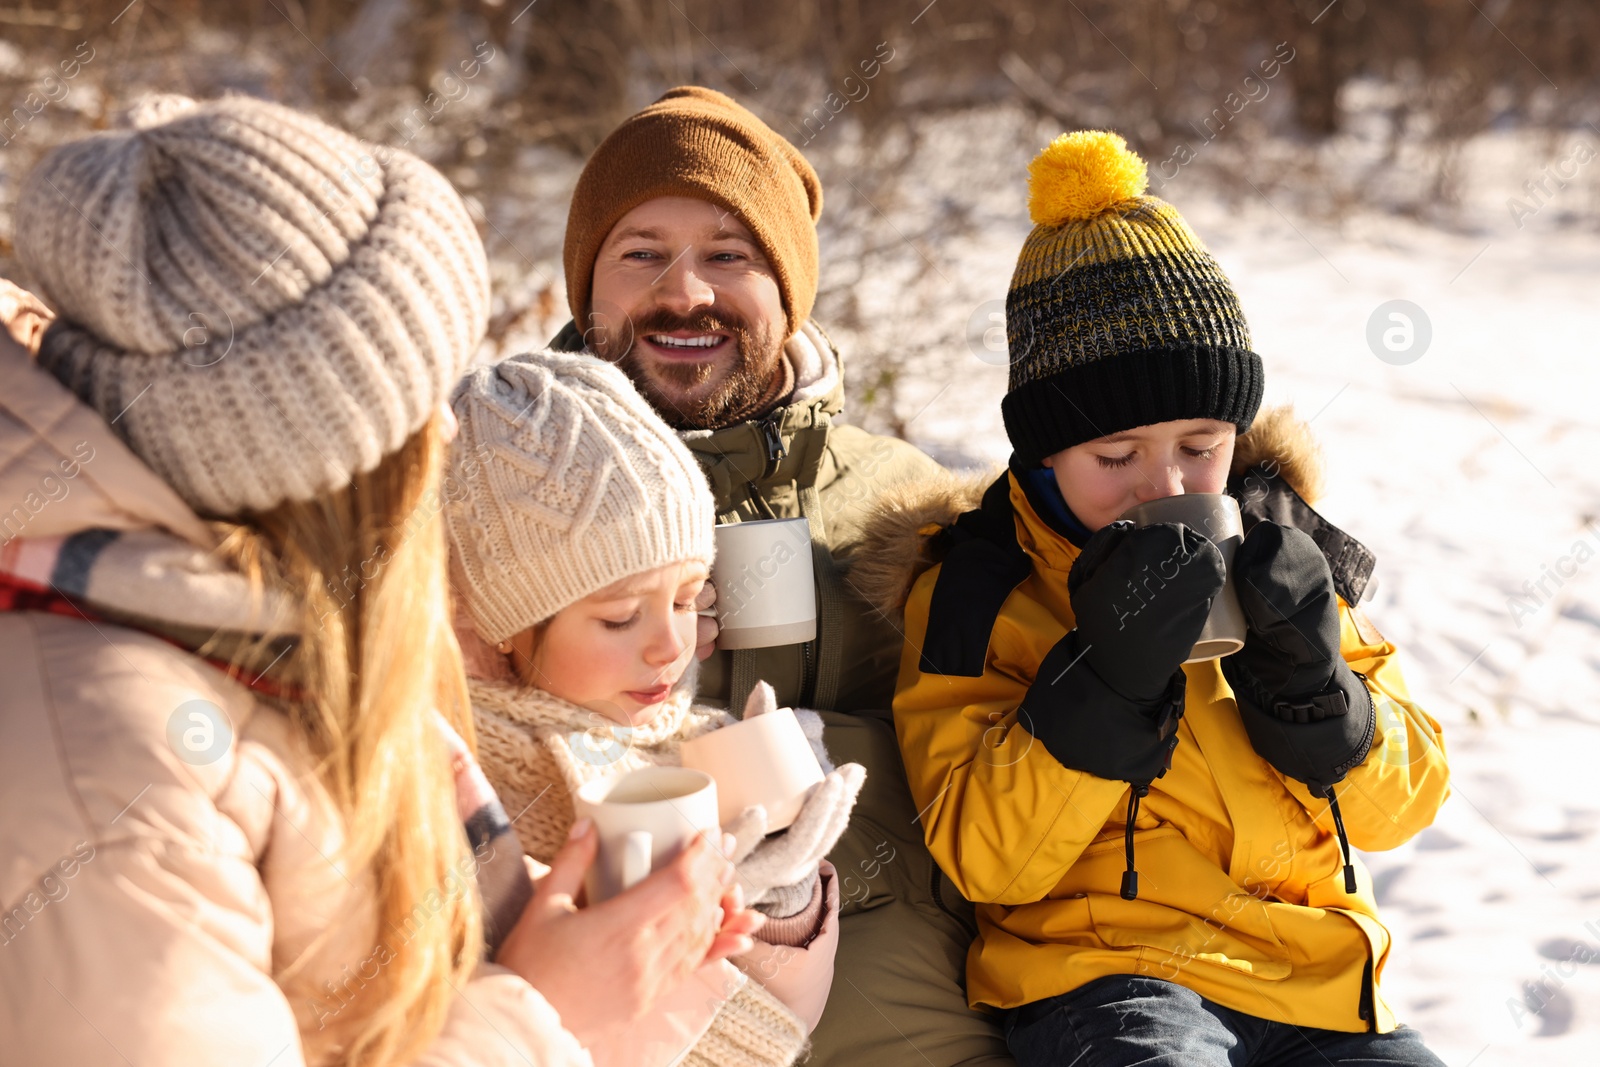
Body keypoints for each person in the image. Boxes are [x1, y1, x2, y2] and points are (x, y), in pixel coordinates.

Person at [0, 96, 759, 1067]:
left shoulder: (266, 648)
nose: (446, 436)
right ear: (305, 454)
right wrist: (544, 1019)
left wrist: (603, 935)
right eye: (416, 407)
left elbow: (349, 928)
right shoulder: (103, 770)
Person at [875, 130, 1453, 1065]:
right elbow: (984, 857)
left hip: (1314, 983)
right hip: (1106, 976)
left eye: (1200, 442)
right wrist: (1102, 684)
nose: (1165, 482)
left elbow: (1408, 803)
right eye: (1115, 455)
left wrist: (1320, 690)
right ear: (1043, 452)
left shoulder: (1280, 544)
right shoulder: (976, 587)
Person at [548, 86, 1014, 1064]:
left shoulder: (908, 501)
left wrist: (803, 758)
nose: (686, 293)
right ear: (586, 285)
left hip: (899, 1022)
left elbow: (1007, 766)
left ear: (787, 287)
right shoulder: (501, 488)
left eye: (729, 255)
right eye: (641, 253)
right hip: (608, 1010)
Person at [443, 347, 867, 1064]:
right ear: (496, 620)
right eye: (619, 617)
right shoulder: (456, 790)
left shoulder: (686, 748)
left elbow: (781, 1025)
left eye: (686, 597)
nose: (671, 645)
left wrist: (779, 903)